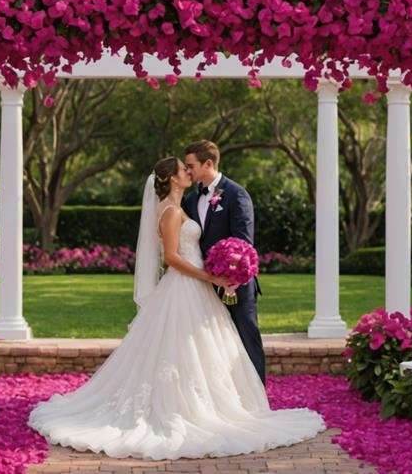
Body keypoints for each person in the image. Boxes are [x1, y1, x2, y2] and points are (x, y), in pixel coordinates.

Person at [28, 156, 324, 461]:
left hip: (197, 286)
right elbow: (171, 257)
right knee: (181, 349)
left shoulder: (183, 205)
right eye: (184, 169)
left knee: (203, 346)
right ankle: (182, 407)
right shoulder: (169, 211)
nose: (189, 172)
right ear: (172, 178)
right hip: (185, 285)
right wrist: (208, 275)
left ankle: (217, 403)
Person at [181, 139, 266, 384]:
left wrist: (230, 276)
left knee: (245, 337)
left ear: (208, 164)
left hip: (235, 284)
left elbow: (243, 242)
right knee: (212, 344)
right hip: (204, 285)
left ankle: (257, 395)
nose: (187, 171)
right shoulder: (191, 198)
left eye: (191, 165)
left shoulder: (236, 194)